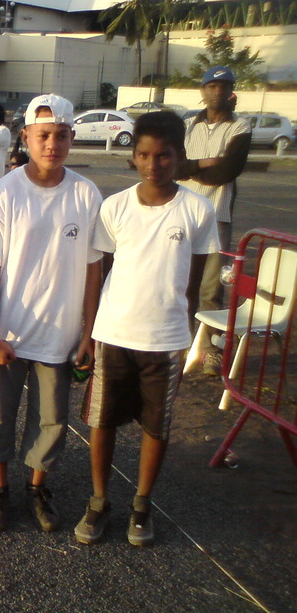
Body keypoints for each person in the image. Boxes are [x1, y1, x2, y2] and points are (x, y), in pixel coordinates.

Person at [75, 112, 218, 546]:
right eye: (143, 155)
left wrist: (185, 329)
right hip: (114, 334)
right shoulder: (115, 206)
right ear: (133, 156)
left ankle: (141, 504)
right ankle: (99, 500)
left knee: (157, 426)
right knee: (102, 422)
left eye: (163, 155)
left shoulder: (196, 209)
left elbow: (192, 281)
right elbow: (99, 272)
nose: (153, 164)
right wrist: (90, 332)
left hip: (165, 339)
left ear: (179, 157)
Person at [0, 94, 102, 534]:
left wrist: (88, 333)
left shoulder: (85, 194)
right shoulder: (6, 192)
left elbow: (92, 268)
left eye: (61, 135)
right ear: (25, 136)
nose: (52, 144)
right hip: (8, 331)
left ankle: (37, 486)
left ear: (71, 137)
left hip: (59, 333)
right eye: (43, 135)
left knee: (52, 419)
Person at [176, 66, 251, 377]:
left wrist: (191, 166)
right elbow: (173, 167)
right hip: (180, 212)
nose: (217, 91)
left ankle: (209, 351)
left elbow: (227, 171)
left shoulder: (240, 127)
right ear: (203, 90)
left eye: (224, 85)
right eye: (212, 85)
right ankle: (178, 344)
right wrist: (206, 163)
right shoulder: (186, 126)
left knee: (210, 289)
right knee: (177, 283)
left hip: (216, 216)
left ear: (232, 90)